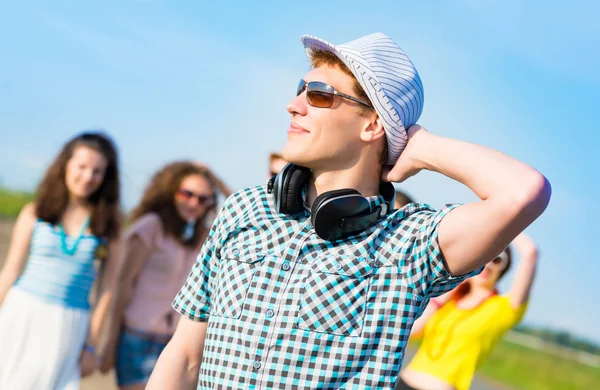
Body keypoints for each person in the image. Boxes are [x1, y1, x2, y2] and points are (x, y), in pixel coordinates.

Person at [147, 33, 551, 389]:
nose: (293, 105)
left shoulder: (408, 245)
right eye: (299, 89)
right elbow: (184, 357)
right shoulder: (243, 209)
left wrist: (422, 147)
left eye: (318, 95)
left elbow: (523, 193)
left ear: (372, 124)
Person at [0, 132, 121, 389]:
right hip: (21, 313)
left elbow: (107, 290)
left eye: (97, 171)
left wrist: (91, 345)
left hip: (68, 326)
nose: (88, 177)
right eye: (82, 167)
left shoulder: (108, 227)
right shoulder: (35, 212)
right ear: (66, 164)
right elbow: (10, 271)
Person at [99, 161, 231, 390]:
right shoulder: (150, 227)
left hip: (178, 345)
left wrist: (213, 177)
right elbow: (123, 285)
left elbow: (242, 210)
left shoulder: (203, 237)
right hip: (139, 340)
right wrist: (110, 342)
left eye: (203, 198)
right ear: (172, 192)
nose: (194, 203)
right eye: (187, 193)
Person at [398, 233, 538, 390]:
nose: (489, 264)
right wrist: (449, 291)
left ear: (503, 268)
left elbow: (530, 253)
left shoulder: (504, 308)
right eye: (484, 257)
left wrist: (504, 227)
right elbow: (412, 332)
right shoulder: (449, 301)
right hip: (404, 380)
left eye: (497, 259)